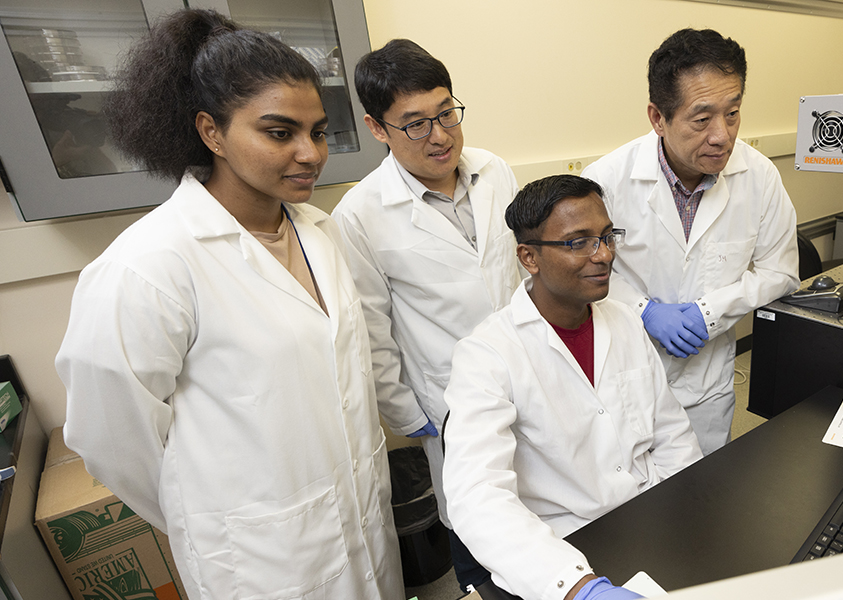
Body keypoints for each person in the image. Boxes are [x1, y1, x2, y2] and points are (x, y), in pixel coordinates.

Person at [54, 10, 403, 599]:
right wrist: (214, 519)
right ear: (211, 132)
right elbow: (113, 442)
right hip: (261, 560)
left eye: (317, 131)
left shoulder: (321, 232)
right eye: (278, 132)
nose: (309, 153)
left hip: (363, 526)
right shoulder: (149, 266)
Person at [441, 174, 703, 600]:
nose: (603, 255)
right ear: (529, 256)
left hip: (650, 520)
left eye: (606, 236)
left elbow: (673, 435)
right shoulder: (487, 354)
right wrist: (577, 588)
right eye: (577, 242)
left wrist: (688, 518)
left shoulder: (623, 322)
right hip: (562, 550)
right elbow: (477, 495)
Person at [331, 38, 521, 591]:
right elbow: (372, 330)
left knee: (547, 511)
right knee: (478, 527)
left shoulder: (495, 172)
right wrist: (414, 417)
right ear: (376, 127)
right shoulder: (360, 214)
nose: (440, 135)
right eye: (415, 124)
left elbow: (520, 275)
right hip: (449, 401)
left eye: (446, 113)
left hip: (530, 371)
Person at [582, 28, 801, 455]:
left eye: (733, 113)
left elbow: (782, 271)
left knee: (701, 502)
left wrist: (710, 312)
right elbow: (580, 271)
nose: (721, 135)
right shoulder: (606, 180)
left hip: (707, 387)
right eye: (701, 119)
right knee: (626, 504)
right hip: (622, 379)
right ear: (657, 118)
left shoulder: (758, 177)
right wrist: (643, 311)